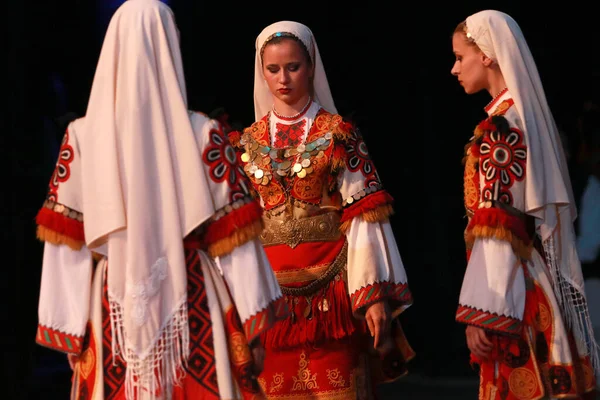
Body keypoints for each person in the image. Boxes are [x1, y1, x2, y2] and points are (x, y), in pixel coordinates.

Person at [33, 1, 288, 399]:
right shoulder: (204, 134)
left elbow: (65, 245)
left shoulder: (80, 139)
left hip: (111, 308)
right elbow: (236, 241)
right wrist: (254, 321)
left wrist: (69, 328)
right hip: (195, 299)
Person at [227, 20, 414, 399]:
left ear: (311, 66)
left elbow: (365, 217)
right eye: (273, 69)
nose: (283, 79)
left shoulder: (338, 133)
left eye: (293, 67)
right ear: (261, 72)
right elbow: (240, 232)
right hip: (269, 301)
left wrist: (373, 294)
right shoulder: (245, 143)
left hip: (333, 302)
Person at [450, 9, 599, 399]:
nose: (454, 69)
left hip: (515, 291)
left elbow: (500, 225)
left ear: (486, 55)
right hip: (527, 280)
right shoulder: (519, 117)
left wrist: (484, 312)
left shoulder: (502, 128)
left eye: (460, 57)